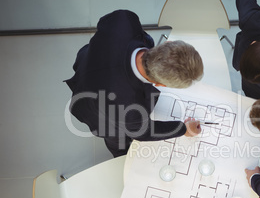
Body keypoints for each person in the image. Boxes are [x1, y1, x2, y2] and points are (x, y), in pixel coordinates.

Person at [65, 10, 204, 157]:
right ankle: (121, 154)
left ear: (167, 43)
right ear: (161, 85)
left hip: (90, 60)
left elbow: (105, 22)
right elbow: (142, 132)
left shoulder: (124, 19)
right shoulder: (129, 109)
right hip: (94, 106)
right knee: (116, 139)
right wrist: (183, 129)